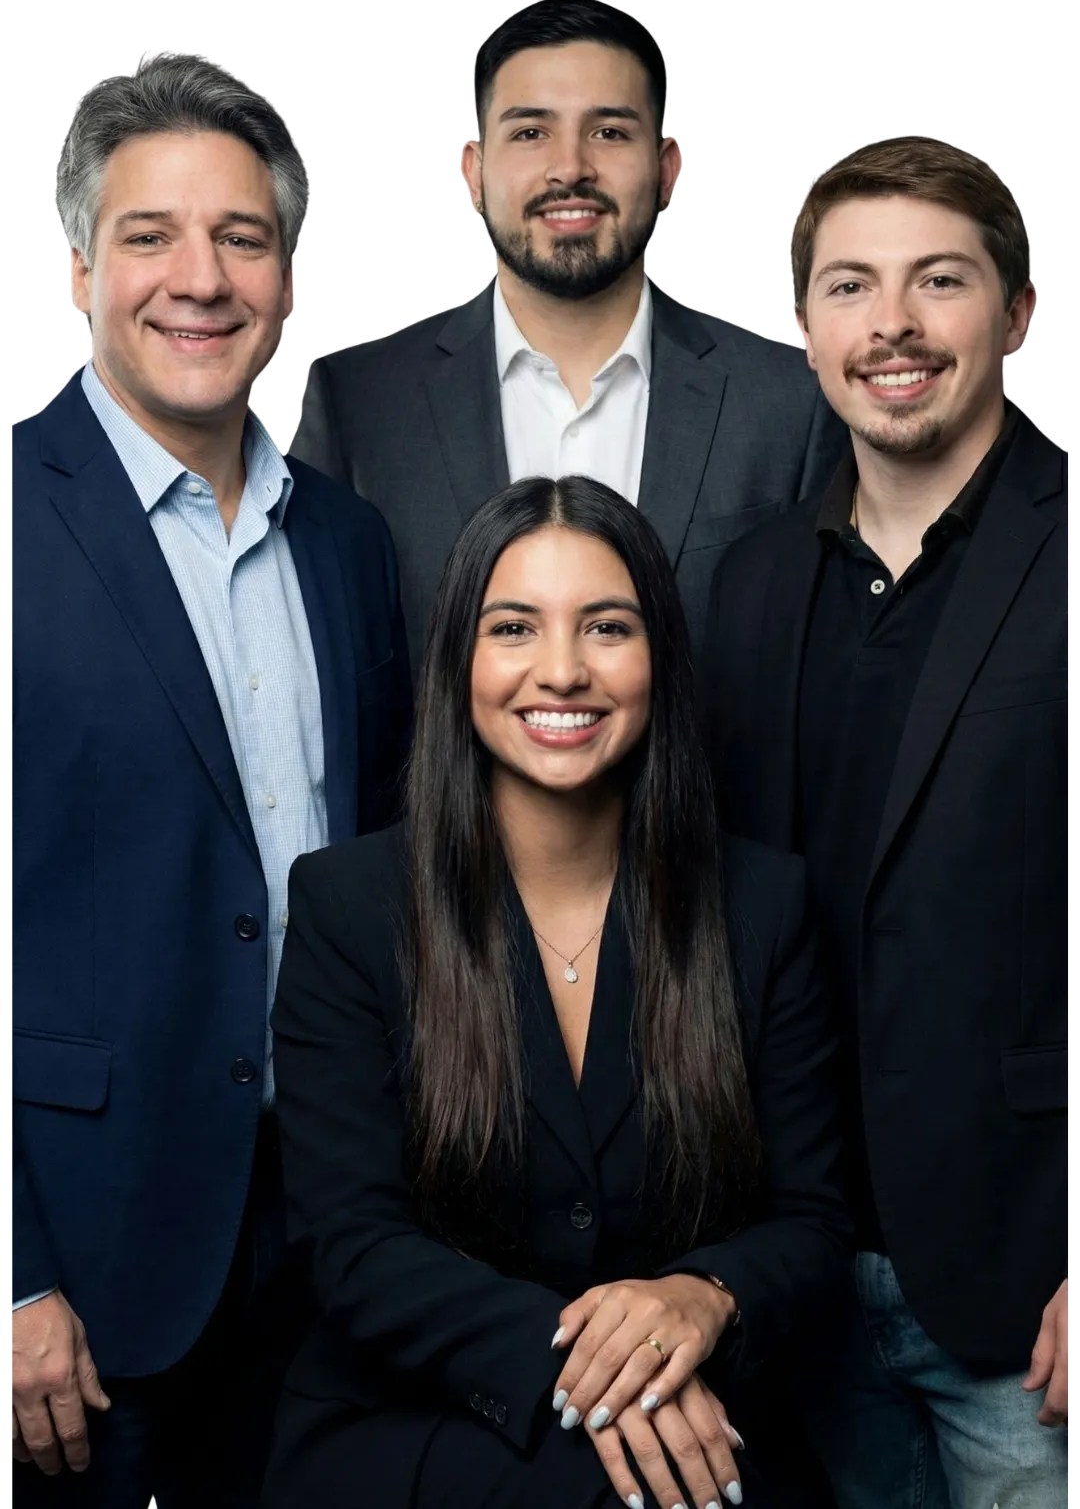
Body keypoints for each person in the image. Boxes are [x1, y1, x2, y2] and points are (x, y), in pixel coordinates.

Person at [262, 474, 851, 1509]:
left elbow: (812, 1224)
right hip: (415, 1425)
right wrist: (603, 1380)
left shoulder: (762, 903)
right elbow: (350, 1243)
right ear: (460, 661)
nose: (564, 670)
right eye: (515, 627)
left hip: (697, 1423)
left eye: (608, 627)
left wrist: (704, 1296)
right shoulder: (349, 905)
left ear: (660, 659)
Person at [10, 50, 411, 1508]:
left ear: (290, 282)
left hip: (325, 1241)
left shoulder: (352, 547)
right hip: (80, 1272)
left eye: (244, 237)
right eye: (150, 235)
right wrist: (8, 1285)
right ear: (75, 272)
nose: (203, 276)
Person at [699, 136, 1070, 1507]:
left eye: (940, 281)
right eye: (851, 287)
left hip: (1026, 1293)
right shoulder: (746, 587)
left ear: (1020, 311)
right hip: (789, 1282)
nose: (893, 325)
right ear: (803, 329)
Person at [287, 0, 846, 677]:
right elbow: (322, 674)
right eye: (530, 133)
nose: (570, 168)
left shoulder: (790, 404)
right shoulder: (358, 404)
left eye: (609, 132)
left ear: (669, 170)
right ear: (472, 171)